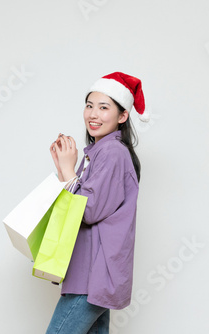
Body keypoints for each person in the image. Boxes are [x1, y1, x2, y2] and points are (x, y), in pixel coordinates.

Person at [46, 72, 148, 334]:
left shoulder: (112, 152)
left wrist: (69, 172)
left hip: (93, 275)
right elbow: (82, 205)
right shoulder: (100, 152)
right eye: (89, 105)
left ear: (122, 116)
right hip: (91, 272)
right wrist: (64, 170)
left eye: (104, 108)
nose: (93, 114)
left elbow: (88, 210)